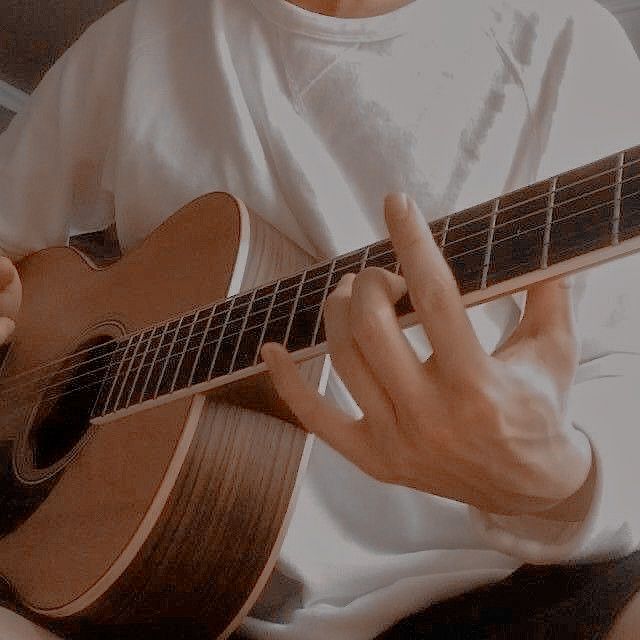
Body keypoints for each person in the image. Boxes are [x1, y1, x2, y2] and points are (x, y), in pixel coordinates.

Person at [1, 0, 640, 638]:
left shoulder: (565, 43)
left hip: (477, 598)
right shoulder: (140, 35)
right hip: (127, 579)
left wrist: (560, 480)